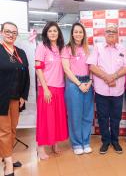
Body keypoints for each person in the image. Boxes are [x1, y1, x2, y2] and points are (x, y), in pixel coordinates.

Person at [87, 23, 126, 154]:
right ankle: (105, 141)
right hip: (101, 91)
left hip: (117, 91)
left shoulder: (122, 49)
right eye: (108, 31)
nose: (111, 33)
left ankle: (115, 141)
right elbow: (91, 66)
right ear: (104, 34)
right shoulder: (98, 47)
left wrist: (114, 76)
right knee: (103, 117)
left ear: (117, 34)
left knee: (116, 117)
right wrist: (107, 77)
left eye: (113, 31)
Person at [0, 22, 30, 176]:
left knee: (12, 130)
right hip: (2, 99)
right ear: (1, 32)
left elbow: (27, 76)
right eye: (7, 31)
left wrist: (24, 96)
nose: (10, 34)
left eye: (14, 32)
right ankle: (9, 164)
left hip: (16, 99)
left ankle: (6, 157)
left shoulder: (21, 53)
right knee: (4, 131)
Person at [35, 21, 68, 160]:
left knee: (57, 117)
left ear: (58, 33)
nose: (53, 33)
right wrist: (46, 88)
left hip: (60, 87)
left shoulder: (62, 48)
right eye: (50, 31)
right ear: (46, 33)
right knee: (45, 118)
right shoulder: (42, 47)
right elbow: (38, 69)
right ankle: (40, 148)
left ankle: (54, 144)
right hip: (46, 88)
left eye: (55, 31)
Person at [62, 22, 94, 155]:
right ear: (72, 33)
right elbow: (66, 69)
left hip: (87, 83)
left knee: (87, 115)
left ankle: (86, 142)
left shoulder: (88, 49)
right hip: (74, 84)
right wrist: (79, 84)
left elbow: (92, 67)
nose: (78, 34)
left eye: (80, 32)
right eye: (76, 32)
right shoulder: (66, 48)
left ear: (84, 34)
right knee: (75, 115)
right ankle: (76, 143)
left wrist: (90, 81)